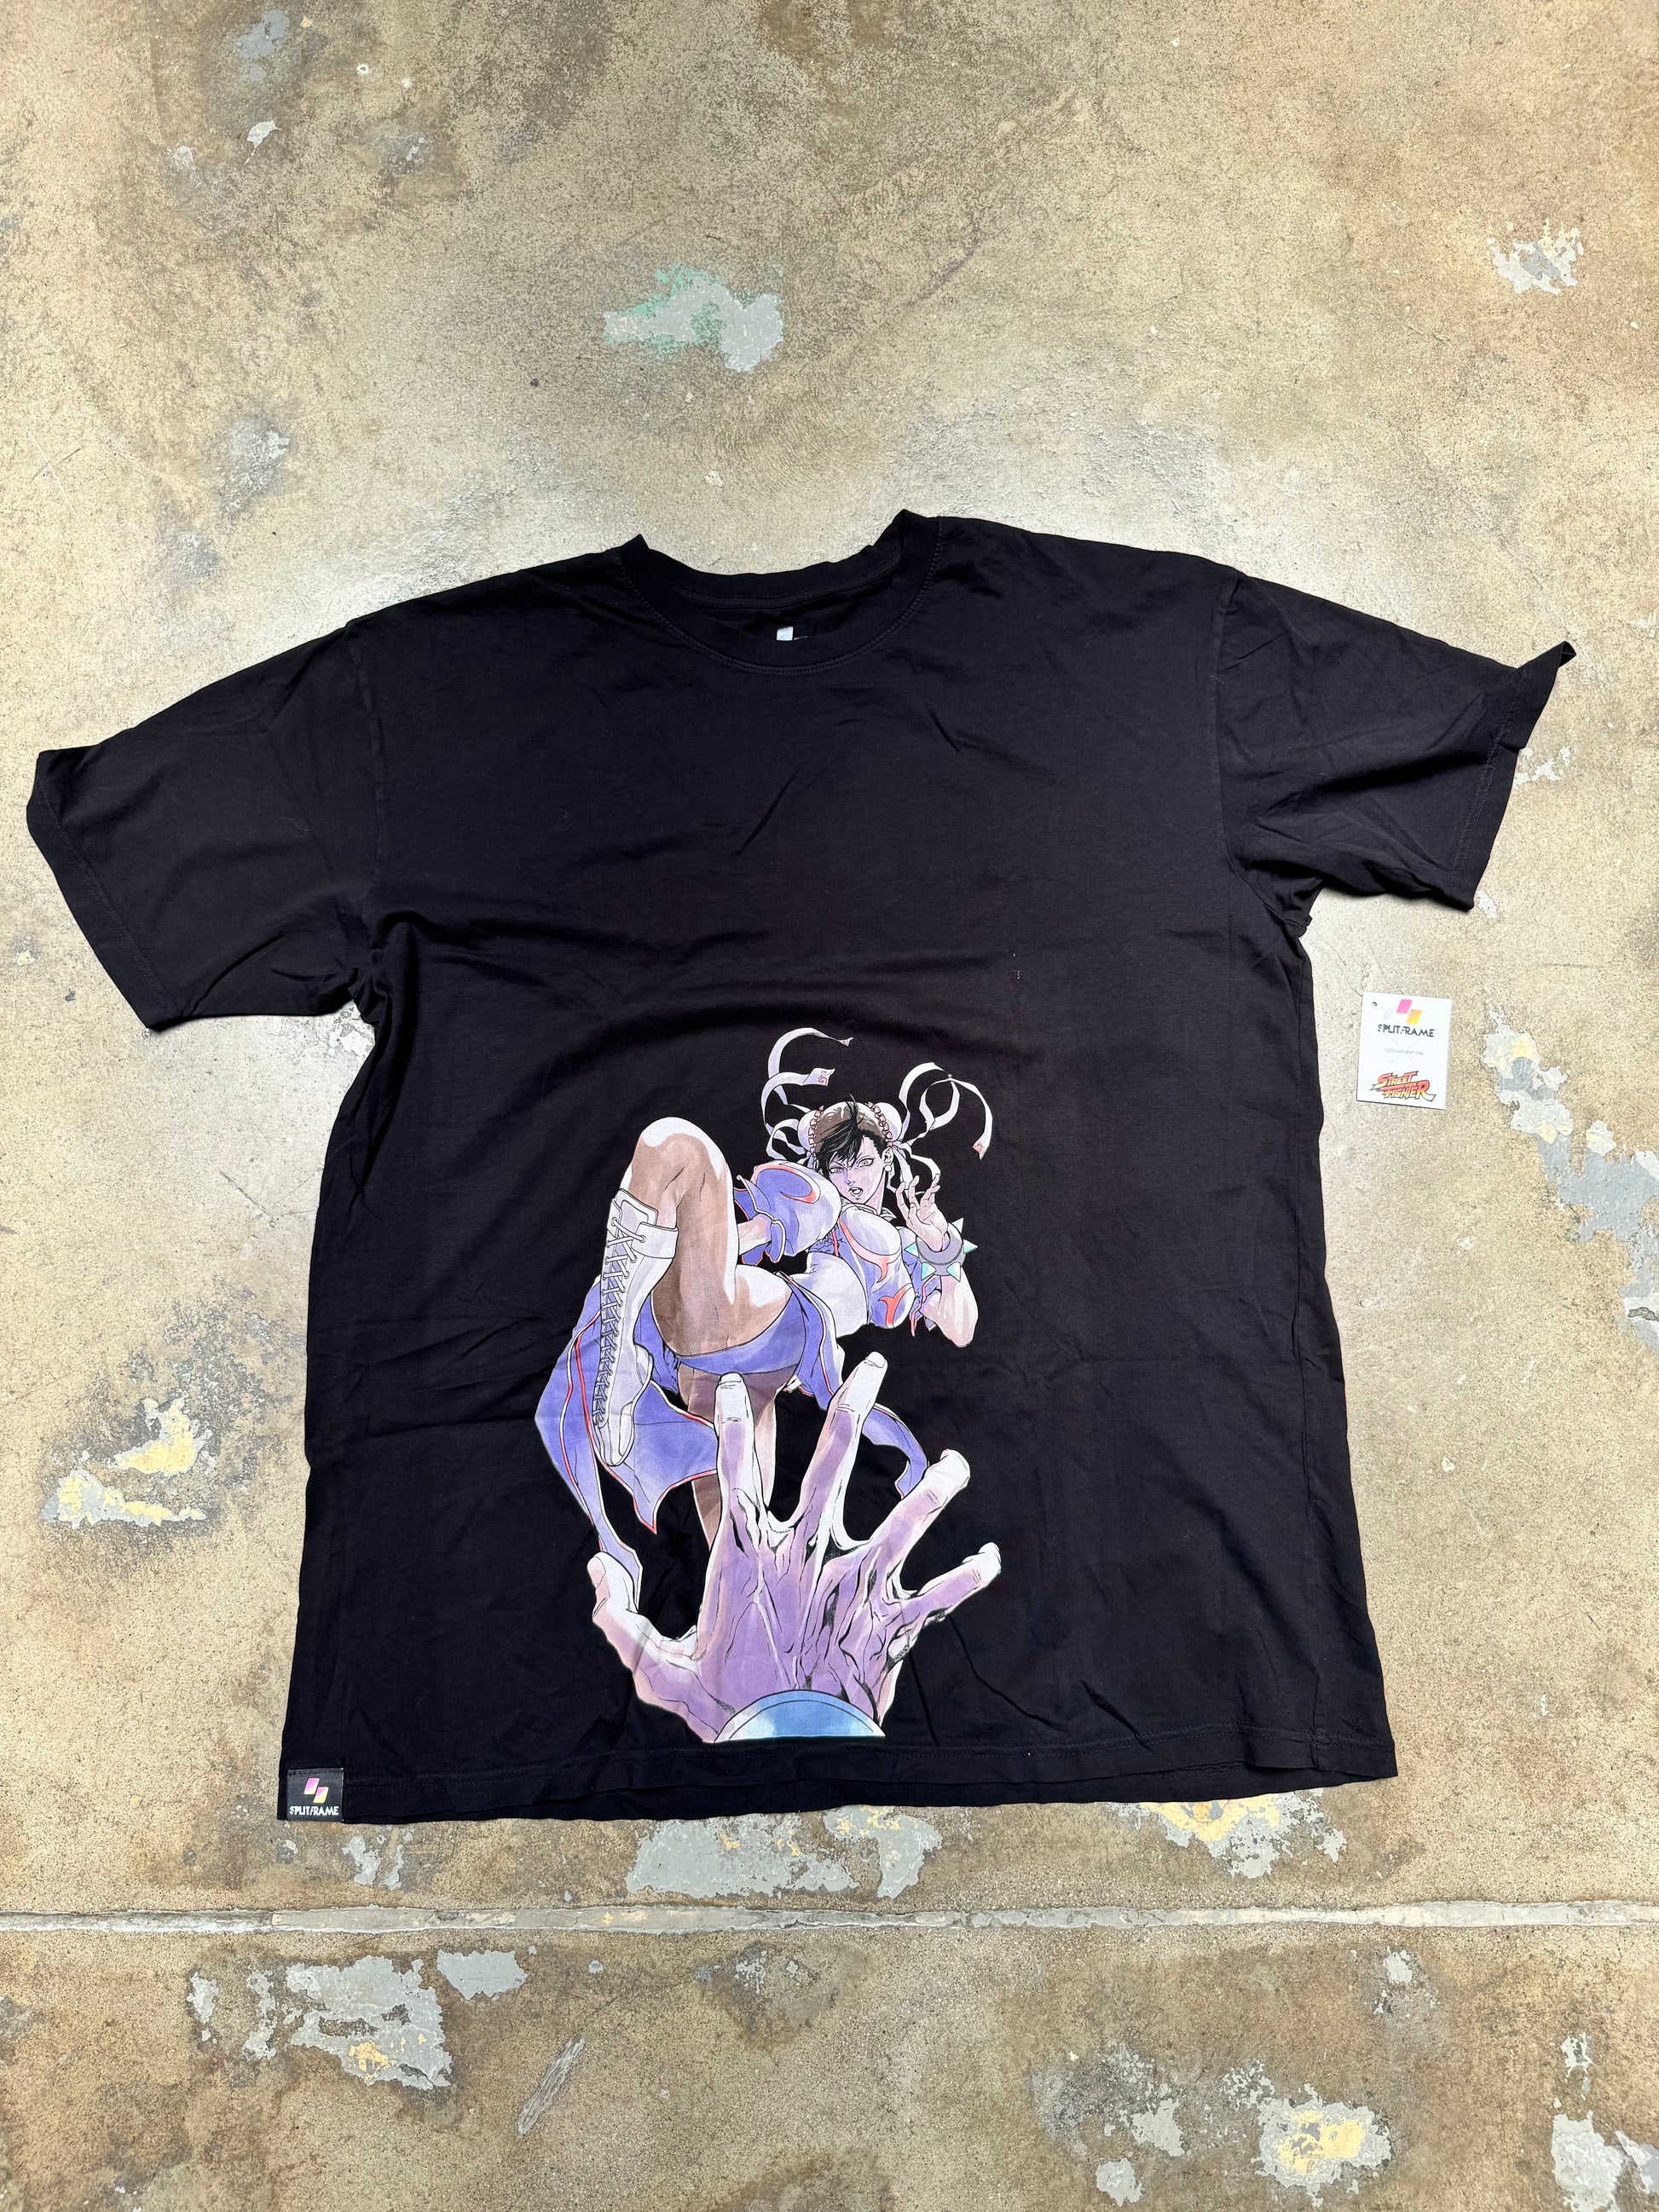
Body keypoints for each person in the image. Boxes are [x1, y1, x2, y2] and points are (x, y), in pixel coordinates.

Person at [535, 1029, 990, 1574]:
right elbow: (745, 1235)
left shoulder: (904, 1249)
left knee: (740, 1541)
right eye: (840, 1166)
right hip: (751, 1335)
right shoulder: (818, 1202)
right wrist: (725, 1245)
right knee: (675, 1145)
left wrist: (940, 1243)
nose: (854, 1179)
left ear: (888, 1160)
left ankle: (630, 1332)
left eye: (864, 1162)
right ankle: (625, 1336)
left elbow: (961, 1327)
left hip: (790, 1347)